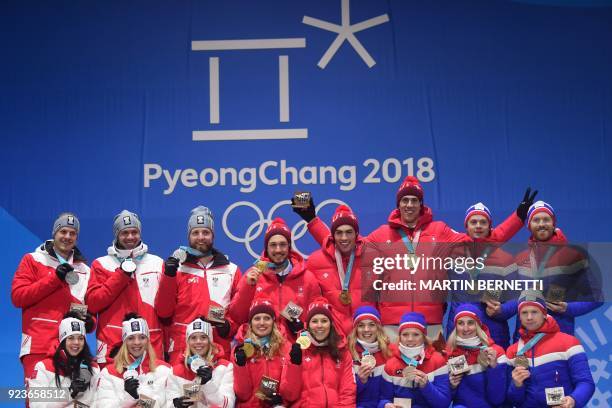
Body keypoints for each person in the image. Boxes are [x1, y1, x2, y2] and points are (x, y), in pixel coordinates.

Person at [294, 179, 534, 341]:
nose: (409, 204)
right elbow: (343, 242)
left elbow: (481, 241)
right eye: (404, 200)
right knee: (396, 385)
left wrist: (517, 218)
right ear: (398, 204)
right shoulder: (381, 235)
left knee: (428, 386)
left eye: (414, 200)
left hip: (429, 325)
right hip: (390, 326)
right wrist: (312, 221)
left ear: (421, 204)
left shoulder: (440, 231)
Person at [12, 212, 91, 383]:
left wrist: (89, 320)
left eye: (72, 233)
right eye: (63, 232)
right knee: (39, 400)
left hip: (73, 347)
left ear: (77, 237)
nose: (67, 237)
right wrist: (54, 279)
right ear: (54, 233)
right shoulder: (32, 260)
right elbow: (18, 297)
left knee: (71, 400)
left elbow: (86, 311)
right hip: (38, 345)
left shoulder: (84, 270)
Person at [155, 206, 241, 363]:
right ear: (188, 236)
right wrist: (169, 275)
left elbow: (238, 314)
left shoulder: (231, 269)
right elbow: (163, 312)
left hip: (218, 348)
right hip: (182, 350)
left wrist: (227, 327)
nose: (201, 237)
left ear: (213, 235)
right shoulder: (177, 268)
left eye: (205, 232)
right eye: (195, 233)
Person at [87, 210, 164, 367]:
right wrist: (122, 274)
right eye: (125, 233)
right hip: (112, 343)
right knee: (111, 389)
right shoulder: (101, 264)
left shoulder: (157, 263)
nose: (130, 237)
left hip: (150, 343)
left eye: (134, 232)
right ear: (117, 234)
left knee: (150, 391)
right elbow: (94, 303)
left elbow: (165, 309)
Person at [513, 201, 602, 337]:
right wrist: (499, 309)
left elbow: (597, 297)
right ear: (529, 225)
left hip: (559, 339)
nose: (541, 224)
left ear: (553, 223)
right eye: (536, 220)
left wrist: (568, 308)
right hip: (525, 339)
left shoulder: (572, 256)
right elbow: (511, 299)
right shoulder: (519, 258)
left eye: (546, 219)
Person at [230, 217, 320, 340]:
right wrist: (248, 287)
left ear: (289, 246)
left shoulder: (307, 278)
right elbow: (237, 317)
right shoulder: (252, 276)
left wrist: (301, 327)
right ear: (266, 248)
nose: (278, 250)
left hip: (296, 352)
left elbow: (317, 320)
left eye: (282, 245)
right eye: (273, 245)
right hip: (261, 353)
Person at [445, 203, 518, 348]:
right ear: (466, 226)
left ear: (490, 226)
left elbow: (517, 298)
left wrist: (501, 311)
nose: (478, 226)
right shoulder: (451, 255)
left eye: (483, 222)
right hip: (459, 333)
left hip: (493, 333)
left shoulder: (506, 259)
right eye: (473, 222)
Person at [506, 291, 595, 408]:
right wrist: (516, 386)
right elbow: (514, 401)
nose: (529, 317)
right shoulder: (513, 351)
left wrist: (573, 400)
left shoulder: (568, 343)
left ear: (544, 313)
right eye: (524, 313)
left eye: (534, 312)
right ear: (519, 317)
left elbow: (586, 383)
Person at [304, 205, 376, 336]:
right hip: (333, 337)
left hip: (366, 334)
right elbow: (305, 297)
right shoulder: (315, 261)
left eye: (349, 232)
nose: (344, 238)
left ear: (357, 234)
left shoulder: (372, 257)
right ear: (332, 235)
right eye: (339, 233)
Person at [232, 297, 301, 407]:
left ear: (273, 322)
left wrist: (295, 365)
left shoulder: (286, 347)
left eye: (267, 318)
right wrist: (240, 366)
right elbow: (242, 394)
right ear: (250, 323)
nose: (262, 323)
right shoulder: (240, 349)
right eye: (257, 318)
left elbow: (291, 395)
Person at [96, 313, 170, 407]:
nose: (137, 342)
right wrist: (129, 397)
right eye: (131, 338)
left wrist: (139, 396)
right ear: (124, 341)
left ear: (147, 340)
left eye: (142, 337)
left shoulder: (164, 370)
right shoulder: (108, 373)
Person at [379, 312, 451, 408]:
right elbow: (383, 399)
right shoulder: (391, 365)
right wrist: (386, 405)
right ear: (399, 337)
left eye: (416, 334)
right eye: (405, 334)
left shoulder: (437, 361)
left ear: (424, 337)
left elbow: (443, 404)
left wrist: (426, 386)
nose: (410, 339)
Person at [294, 297, 356, 407]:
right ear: (307, 325)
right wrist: (292, 365)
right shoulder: (298, 349)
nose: (319, 325)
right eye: (314, 321)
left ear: (331, 324)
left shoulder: (342, 351)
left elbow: (348, 392)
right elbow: (289, 393)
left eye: (324, 321)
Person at [28, 313, 99, 407]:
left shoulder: (94, 368)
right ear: (62, 340)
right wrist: (69, 393)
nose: (76, 342)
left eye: (80, 338)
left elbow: (98, 402)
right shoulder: (44, 367)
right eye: (71, 338)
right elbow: (36, 405)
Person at [445, 304, 508, 408]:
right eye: (461, 323)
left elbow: (497, 399)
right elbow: (445, 401)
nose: (465, 328)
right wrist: (452, 387)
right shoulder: (451, 354)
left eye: (470, 323)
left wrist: (494, 368)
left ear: (479, 325)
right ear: (455, 327)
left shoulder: (496, 352)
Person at [167, 317, 235, 408]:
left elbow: (228, 405)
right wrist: (176, 405)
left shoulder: (225, 367)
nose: (198, 342)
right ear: (188, 342)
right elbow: (168, 404)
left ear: (210, 341)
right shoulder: (175, 371)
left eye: (203, 337)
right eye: (193, 338)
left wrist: (208, 384)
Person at [347, 306, 392, 408]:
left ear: (378, 328)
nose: (366, 330)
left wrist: (385, 404)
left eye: (371, 325)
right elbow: (346, 394)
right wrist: (361, 381)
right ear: (356, 329)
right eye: (361, 325)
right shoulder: (348, 354)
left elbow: (393, 389)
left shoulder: (390, 352)